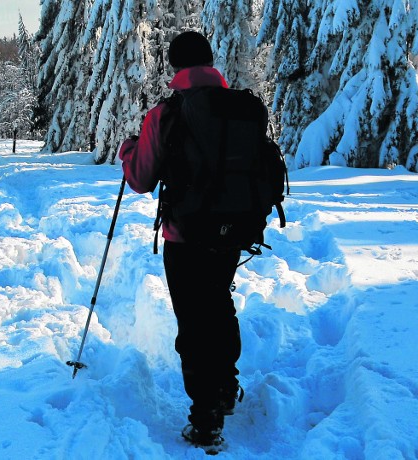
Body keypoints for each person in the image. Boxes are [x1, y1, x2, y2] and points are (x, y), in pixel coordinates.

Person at [118, 31, 242, 453]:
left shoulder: (166, 113)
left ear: (175, 67)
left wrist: (128, 150)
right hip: (232, 233)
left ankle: (205, 418)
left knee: (193, 321)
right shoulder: (240, 107)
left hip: (185, 235)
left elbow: (140, 178)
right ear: (210, 62)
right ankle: (226, 387)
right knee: (219, 303)